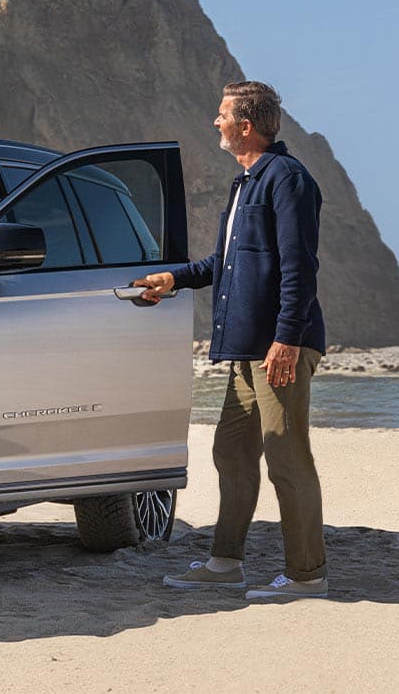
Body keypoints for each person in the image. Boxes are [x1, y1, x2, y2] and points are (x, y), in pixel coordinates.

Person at [136, 81, 330, 599]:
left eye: (221, 115)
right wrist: (173, 279)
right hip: (248, 347)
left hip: (277, 346)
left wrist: (287, 339)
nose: (214, 123)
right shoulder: (246, 182)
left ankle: (307, 576)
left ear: (246, 125)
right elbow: (226, 264)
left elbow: (299, 266)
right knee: (233, 453)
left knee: (286, 458)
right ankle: (226, 562)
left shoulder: (286, 179)